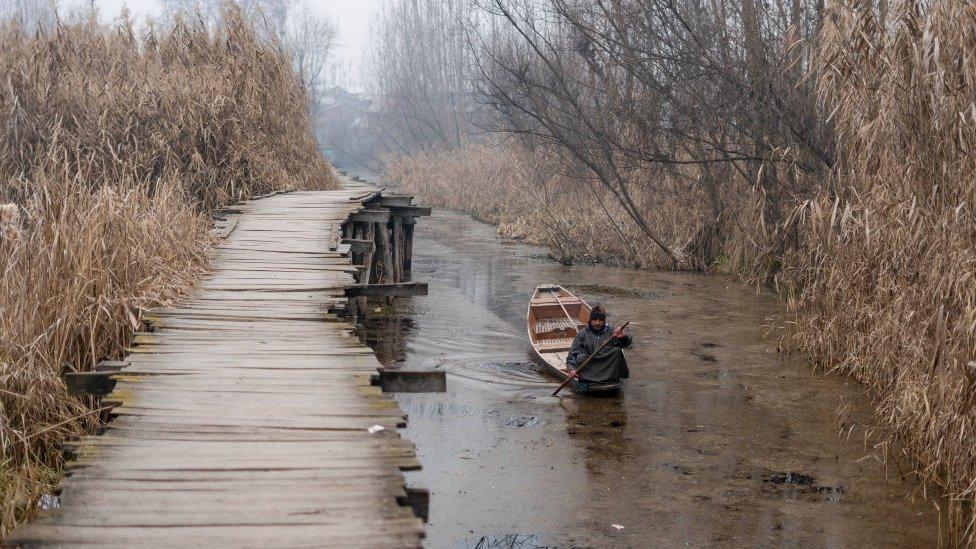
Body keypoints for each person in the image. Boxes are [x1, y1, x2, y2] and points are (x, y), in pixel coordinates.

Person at [566, 306, 632, 390]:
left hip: (608, 368)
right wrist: (571, 369)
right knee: (580, 357)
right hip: (590, 369)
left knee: (617, 352)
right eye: (594, 320)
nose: (597, 323)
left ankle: (612, 379)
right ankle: (589, 381)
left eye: (600, 320)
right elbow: (572, 355)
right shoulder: (582, 334)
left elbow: (627, 344)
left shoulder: (613, 332)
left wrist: (623, 337)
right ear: (590, 320)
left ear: (604, 321)